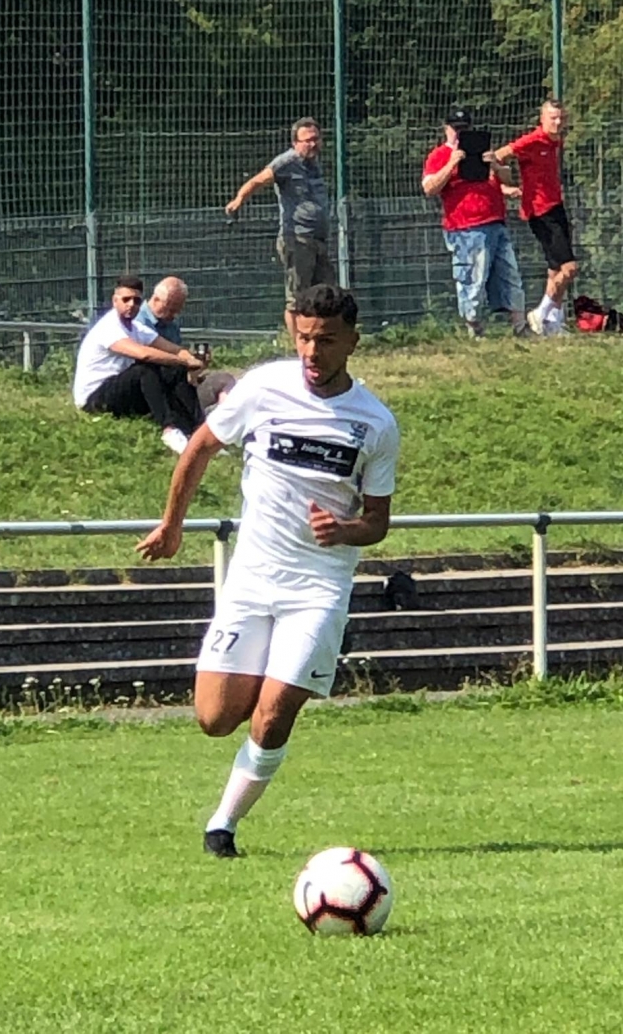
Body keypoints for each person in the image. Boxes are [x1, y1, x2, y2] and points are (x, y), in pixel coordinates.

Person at [136, 284, 399, 858]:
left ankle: (222, 826)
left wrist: (344, 530)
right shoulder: (263, 388)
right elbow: (200, 447)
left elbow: (377, 522)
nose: (312, 351)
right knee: (214, 718)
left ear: (352, 342)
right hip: (251, 581)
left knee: (274, 713)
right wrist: (173, 524)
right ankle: (275, 670)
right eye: (303, 338)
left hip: (318, 587)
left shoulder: (376, 423)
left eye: (325, 340)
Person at [422, 107, 527, 339]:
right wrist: (451, 164)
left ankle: (520, 326)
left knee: (509, 274)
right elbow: (429, 188)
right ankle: (475, 328)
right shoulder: (439, 155)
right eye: (456, 129)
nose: (460, 133)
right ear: (446, 129)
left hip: (496, 221)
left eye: (465, 129)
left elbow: (506, 178)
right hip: (465, 227)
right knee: (473, 279)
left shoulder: (482, 151)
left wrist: (495, 165)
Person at [226, 117, 335, 337]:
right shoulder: (286, 162)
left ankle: (319, 340)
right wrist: (238, 201)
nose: (312, 144)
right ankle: (299, 345)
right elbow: (257, 181)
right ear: (295, 143)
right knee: (298, 298)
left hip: (318, 239)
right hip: (297, 239)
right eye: (307, 140)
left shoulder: (314, 164)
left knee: (326, 294)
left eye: (316, 139)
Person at [72, 275, 206, 455]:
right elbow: (144, 353)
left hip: (120, 392)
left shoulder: (136, 328)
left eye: (136, 301)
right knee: (145, 370)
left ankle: (197, 429)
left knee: (174, 370)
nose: (131, 305)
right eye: (126, 299)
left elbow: (173, 349)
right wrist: (184, 361)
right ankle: (169, 430)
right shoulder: (109, 327)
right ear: (115, 300)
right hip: (94, 398)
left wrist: (192, 359)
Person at [495, 99, 577, 336]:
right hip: (540, 212)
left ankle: (553, 321)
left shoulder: (555, 141)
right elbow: (498, 156)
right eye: (553, 118)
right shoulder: (531, 141)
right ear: (542, 119)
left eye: (561, 118)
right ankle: (541, 312)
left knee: (555, 269)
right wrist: (504, 186)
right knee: (570, 268)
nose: (558, 122)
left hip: (556, 206)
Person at [134, 276, 237, 414]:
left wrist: (196, 365)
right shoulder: (137, 323)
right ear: (156, 299)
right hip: (156, 389)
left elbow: (181, 364)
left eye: (178, 310)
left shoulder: (171, 325)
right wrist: (183, 362)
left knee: (225, 379)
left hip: (178, 384)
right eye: (170, 309)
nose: (174, 315)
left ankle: (223, 413)